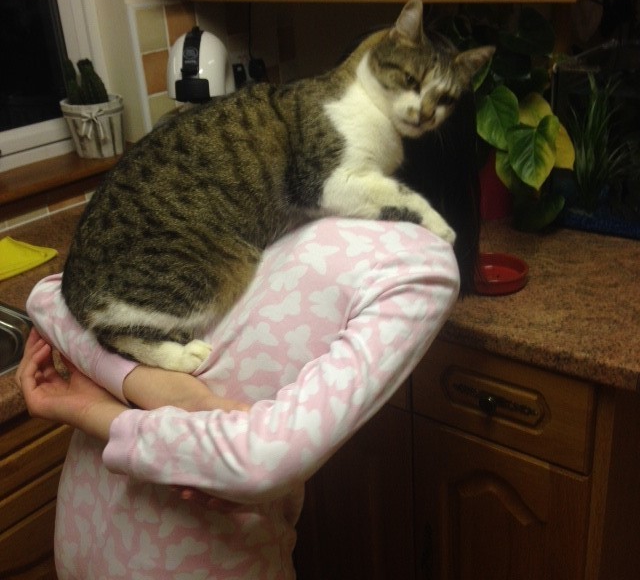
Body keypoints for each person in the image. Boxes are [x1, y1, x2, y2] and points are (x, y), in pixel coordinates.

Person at [17, 216, 460, 579]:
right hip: (115, 538)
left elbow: (257, 460)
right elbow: (50, 296)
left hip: (144, 544)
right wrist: (145, 383)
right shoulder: (253, 184)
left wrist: (92, 409)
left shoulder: (409, 259)